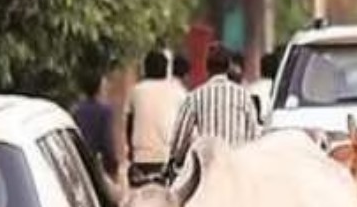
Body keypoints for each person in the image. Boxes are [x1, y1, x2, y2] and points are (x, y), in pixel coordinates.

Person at [167, 43, 260, 172]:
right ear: (228, 67)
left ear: (207, 67)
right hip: (237, 170)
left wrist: (176, 159)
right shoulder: (244, 96)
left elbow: (180, 138)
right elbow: (254, 138)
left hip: (208, 171)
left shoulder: (195, 96)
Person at [125, 49, 185, 186]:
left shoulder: (136, 91)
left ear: (145, 69)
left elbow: (129, 124)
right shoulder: (178, 92)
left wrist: (132, 151)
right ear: (166, 70)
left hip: (141, 158)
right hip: (167, 158)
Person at [71, 69, 119, 181]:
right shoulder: (105, 111)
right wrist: (113, 167)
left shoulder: (76, 111)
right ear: (99, 88)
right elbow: (107, 142)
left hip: (79, 162)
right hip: (95, 164)